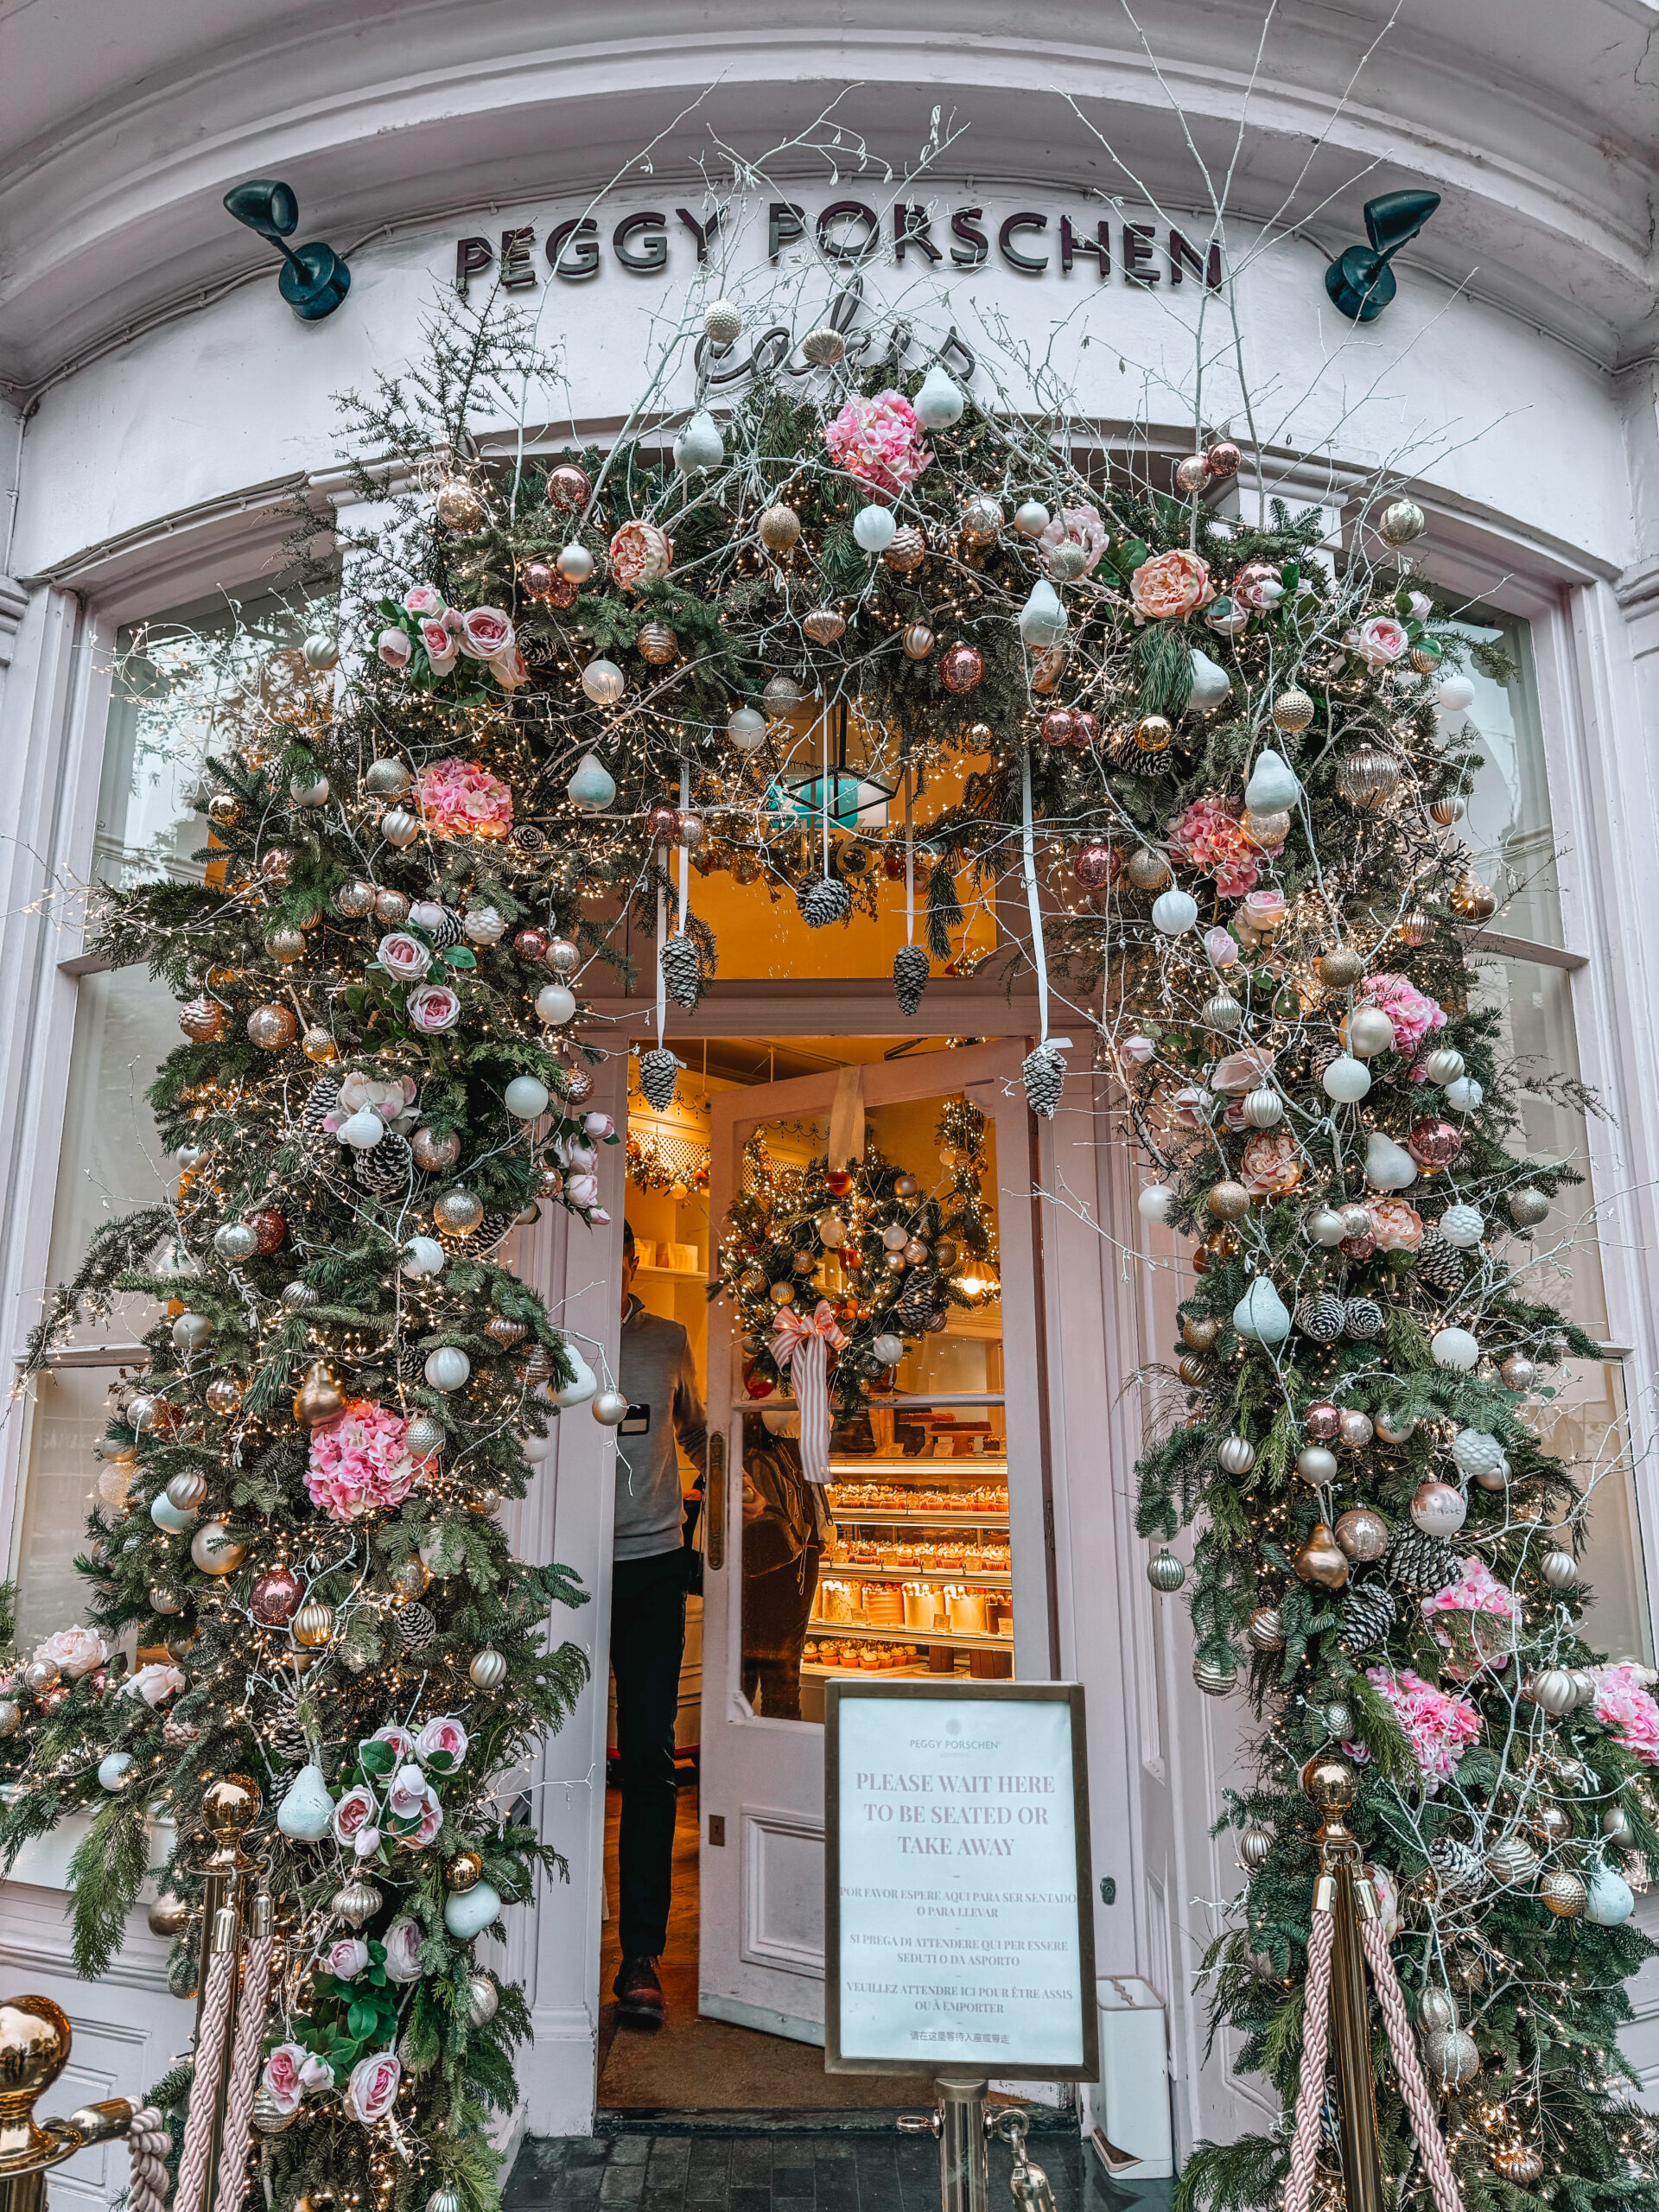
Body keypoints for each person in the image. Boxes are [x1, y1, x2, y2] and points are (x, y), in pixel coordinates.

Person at [609, 1219, 707, 2027]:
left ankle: (641, 1953)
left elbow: (701, 1432)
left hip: (652, 1566)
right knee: (559, 1749)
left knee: (649, 1754)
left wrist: (720, 1491)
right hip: (563, 1572)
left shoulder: (668, 1340)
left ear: (633, 1262)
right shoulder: (543, 1344)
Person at [741, 1417, 834, 1719]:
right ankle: (780, 1748)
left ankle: (739, 1748)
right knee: (779, 1663)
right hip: (791, 1549)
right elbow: (795, 1420)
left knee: (742, 1661)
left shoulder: (743, 1445)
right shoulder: (784, 1415)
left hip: (768, 1547)